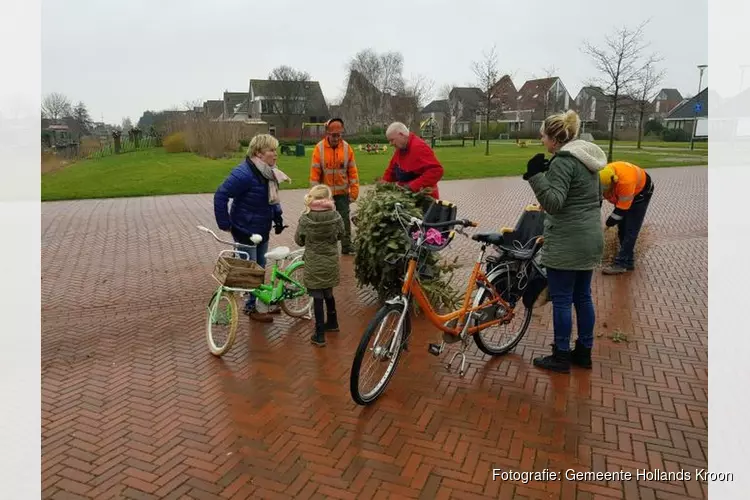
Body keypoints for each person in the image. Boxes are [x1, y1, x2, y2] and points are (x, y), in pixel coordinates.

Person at [523, 110, 608, 373]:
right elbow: (595, 198)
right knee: (582, 297)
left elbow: (554, 203)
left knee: (561, 299)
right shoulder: (587, 160)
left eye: (543, 137)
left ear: (555, 139)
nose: (541, 141)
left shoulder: (563, 161)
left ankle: (560, 356)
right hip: (590, 238)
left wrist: (536, 175)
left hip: (567, 242)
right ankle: (583, 352)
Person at [214, 133, 290, 323]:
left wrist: (278, 218)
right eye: (271, 150)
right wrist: (225, 224)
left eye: (276, 150)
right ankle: (252, 307)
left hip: (261, 229)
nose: (275, 154)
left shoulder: (268, 173)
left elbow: (272, 200)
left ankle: (260, 305)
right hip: (245, 230)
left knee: (261, 268)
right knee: (251, 272)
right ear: (258, 152)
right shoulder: (244, 174)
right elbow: (221, 195)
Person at [294, 185, 345, 347]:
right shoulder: (335, 215)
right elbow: (342, 234)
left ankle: (319, 333)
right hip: (330, 259)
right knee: (328, 291)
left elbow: (299, 240)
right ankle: (333, 322)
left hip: (313, 259)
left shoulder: (306, 217)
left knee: (316, 294)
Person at [309, 118, 359, 254]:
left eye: (339, 135)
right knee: (324, 220)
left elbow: (353, 172)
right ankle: (324, 246)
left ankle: (346, 246)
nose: (337, 138)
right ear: (328, 133)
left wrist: (354, 192)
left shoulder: (347, 149)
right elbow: (315, 173)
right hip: (325, 194)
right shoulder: (319, 149)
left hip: (342, 192)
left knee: (344, 219)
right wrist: (314, 195)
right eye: (334, 135)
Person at [599, 161, 655, 275]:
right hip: (627, 190)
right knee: (622, 229)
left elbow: (620, 211)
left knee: (630, 229)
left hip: (641, 193)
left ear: (613, 183)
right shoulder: (602, 174)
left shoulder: (625, 183)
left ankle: (621, 264)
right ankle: (628, 261)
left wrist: (608, 224)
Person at [382, 122, 444, 209]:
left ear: (401, 134)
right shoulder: (400, 149)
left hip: (423, 201)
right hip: (409, 198)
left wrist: (412, 186)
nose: (390, 144)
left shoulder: (419, 147)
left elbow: (436, 171)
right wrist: (382, 185)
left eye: (392, 140)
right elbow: (391, 171)